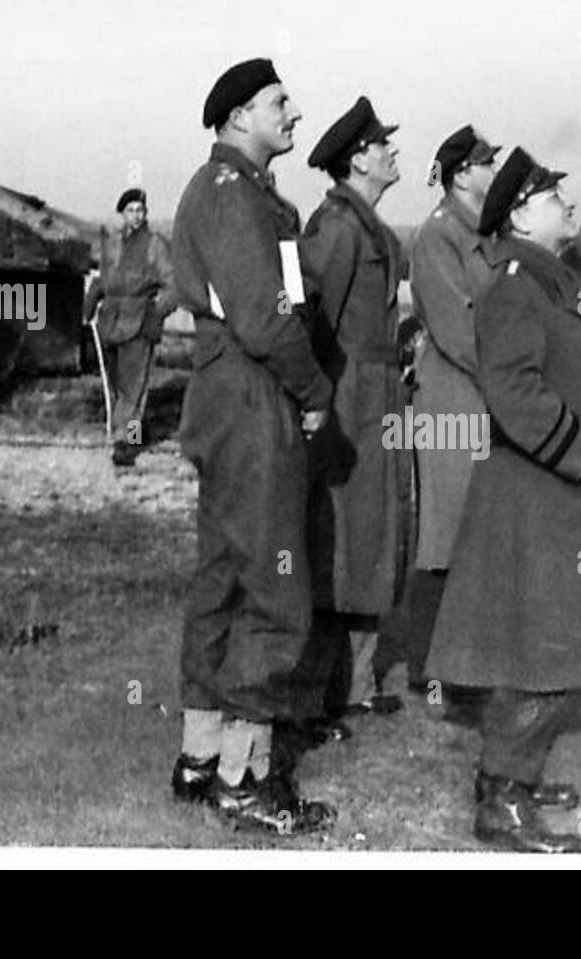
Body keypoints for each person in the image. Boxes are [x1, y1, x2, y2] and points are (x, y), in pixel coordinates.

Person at [425, 148, 581, 853]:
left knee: (555, 644)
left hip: (561, 492)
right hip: (541, 494)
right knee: (540, 648)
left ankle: (513, 778)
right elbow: (513, 390)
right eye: (554, 196)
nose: (569, 205)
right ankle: (500, 796)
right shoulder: (518, 284)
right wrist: (579, 452)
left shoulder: (551, 278)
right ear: (519, 212)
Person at [168, 58, 336, 833]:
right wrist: (314, 391)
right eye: (279, 102)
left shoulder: (237, 192)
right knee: (274, 586)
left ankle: (202, 754)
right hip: (250, 394)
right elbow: (267, 319)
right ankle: (245, 776)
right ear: (240, 117)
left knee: (225, 577)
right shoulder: (233, 196)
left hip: (229, 395)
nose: (295, 112)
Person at [292, 96, 410, 735]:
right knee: (335, 541)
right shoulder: (336, 230)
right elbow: (307, 319)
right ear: (358, 158)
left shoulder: (372, 230)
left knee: (374, 535)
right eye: (383, 144)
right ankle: (313, 696)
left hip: (376, 402)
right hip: (346, 404)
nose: (393, 152)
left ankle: (357, 685)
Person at [406, 125, 500, 717]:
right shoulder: (439, 238)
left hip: (478, 399)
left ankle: (466, 668)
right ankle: (437, 675)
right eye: (487, 162)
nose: (495, 172)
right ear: (462, 173)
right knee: (445, 538)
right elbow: (460, 328)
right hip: (450, 404)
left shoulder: (482, 236)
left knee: (474, 536)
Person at [83, 187, 176, 467]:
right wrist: (88, 305)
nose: (136, 215)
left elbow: (174, 285)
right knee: (116, 389)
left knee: (134, 392)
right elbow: (102, 279)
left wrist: (156, 313)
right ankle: (123, 434)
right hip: (109, 322)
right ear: (121, 214)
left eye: (140, 210)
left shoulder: (155, 245)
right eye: (130, 210)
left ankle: (128, 444)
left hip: (139, 323)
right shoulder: (111, 243)